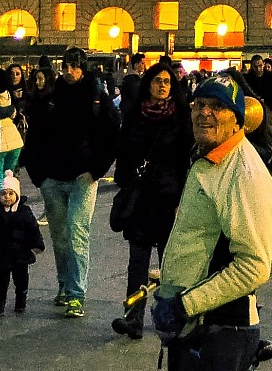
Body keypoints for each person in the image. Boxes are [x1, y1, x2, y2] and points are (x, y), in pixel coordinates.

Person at [150, 74, 272, 371]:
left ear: (237, 121)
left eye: (217, 106)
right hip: (198, 326)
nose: (204, 113)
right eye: (199, 104)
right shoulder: (209, 160)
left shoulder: (244, 174)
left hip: (222, 328)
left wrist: (184, 305)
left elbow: (254, 265)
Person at [24, 46, 118, 317]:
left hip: (82, 178)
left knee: (77, 233)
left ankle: (76, 294)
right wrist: (39, 176)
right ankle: (64, 285)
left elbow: (112, 135)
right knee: (60, 238)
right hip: (52, 177)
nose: (69, 71)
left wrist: (96, 170)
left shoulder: (97, 96)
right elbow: (36, 134)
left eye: (74, 66)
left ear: (83, 68)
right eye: (65, 66)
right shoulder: (52, 95)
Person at [113, 62, 195, 340]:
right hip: (140, 197)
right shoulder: (135, 114)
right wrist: (125, 182)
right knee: (137, 261)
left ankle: (170, 317)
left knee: (169, 263)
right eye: (157, 81)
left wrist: (181, 197)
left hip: (168, 196)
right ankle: (133, 317)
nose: (162, 86)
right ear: (148, 83)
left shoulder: (180, 116)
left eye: (167, 81)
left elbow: (184, 160)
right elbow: (123, 152)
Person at [0, 175, 46, 319]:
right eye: (3, 194)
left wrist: (37, 244)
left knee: (21, 279)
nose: (7, 197)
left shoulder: (24, 211)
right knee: (1, 280)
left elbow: (33, 228)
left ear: (17, 194)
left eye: (11, 193)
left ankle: (21, 301)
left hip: (21, 252)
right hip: (1, 252)